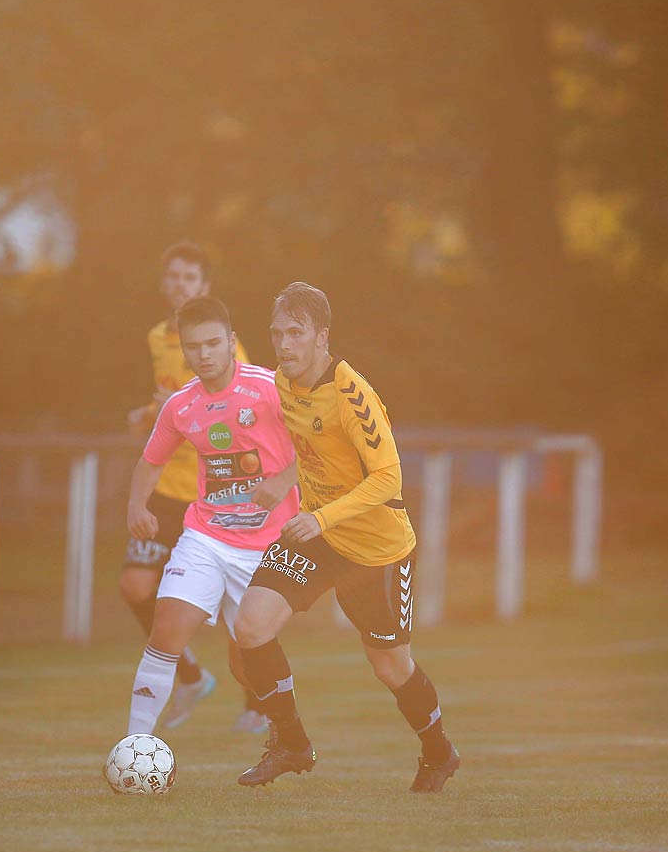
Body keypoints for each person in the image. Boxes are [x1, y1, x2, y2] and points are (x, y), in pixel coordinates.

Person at [230, 282, 461, 792]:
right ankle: (292, 744)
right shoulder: (282, 383)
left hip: (377, 551)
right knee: (251, 627)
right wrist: (284, 482)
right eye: (277, 333)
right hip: (319, 537)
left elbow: (388, 478)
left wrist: (322, 517)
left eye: (296, 332)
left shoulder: (352, 392)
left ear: (321, 336)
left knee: (390, 667)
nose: (284, 343)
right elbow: (311, 449)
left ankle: (439, 753)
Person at [123, 296, 298, 740]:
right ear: (184, 350)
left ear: (232, 342)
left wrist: (282, 482)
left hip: (267, 546)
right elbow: (151, 460)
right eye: (194, 346)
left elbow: (323, 446)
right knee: (167, 629)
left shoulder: (271, 387)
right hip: (206, 536)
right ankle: (136, 745)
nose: (204, 354)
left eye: (213, 343)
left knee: (247, 657)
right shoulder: (181, 405)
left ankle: (285, 731)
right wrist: (137, 506)